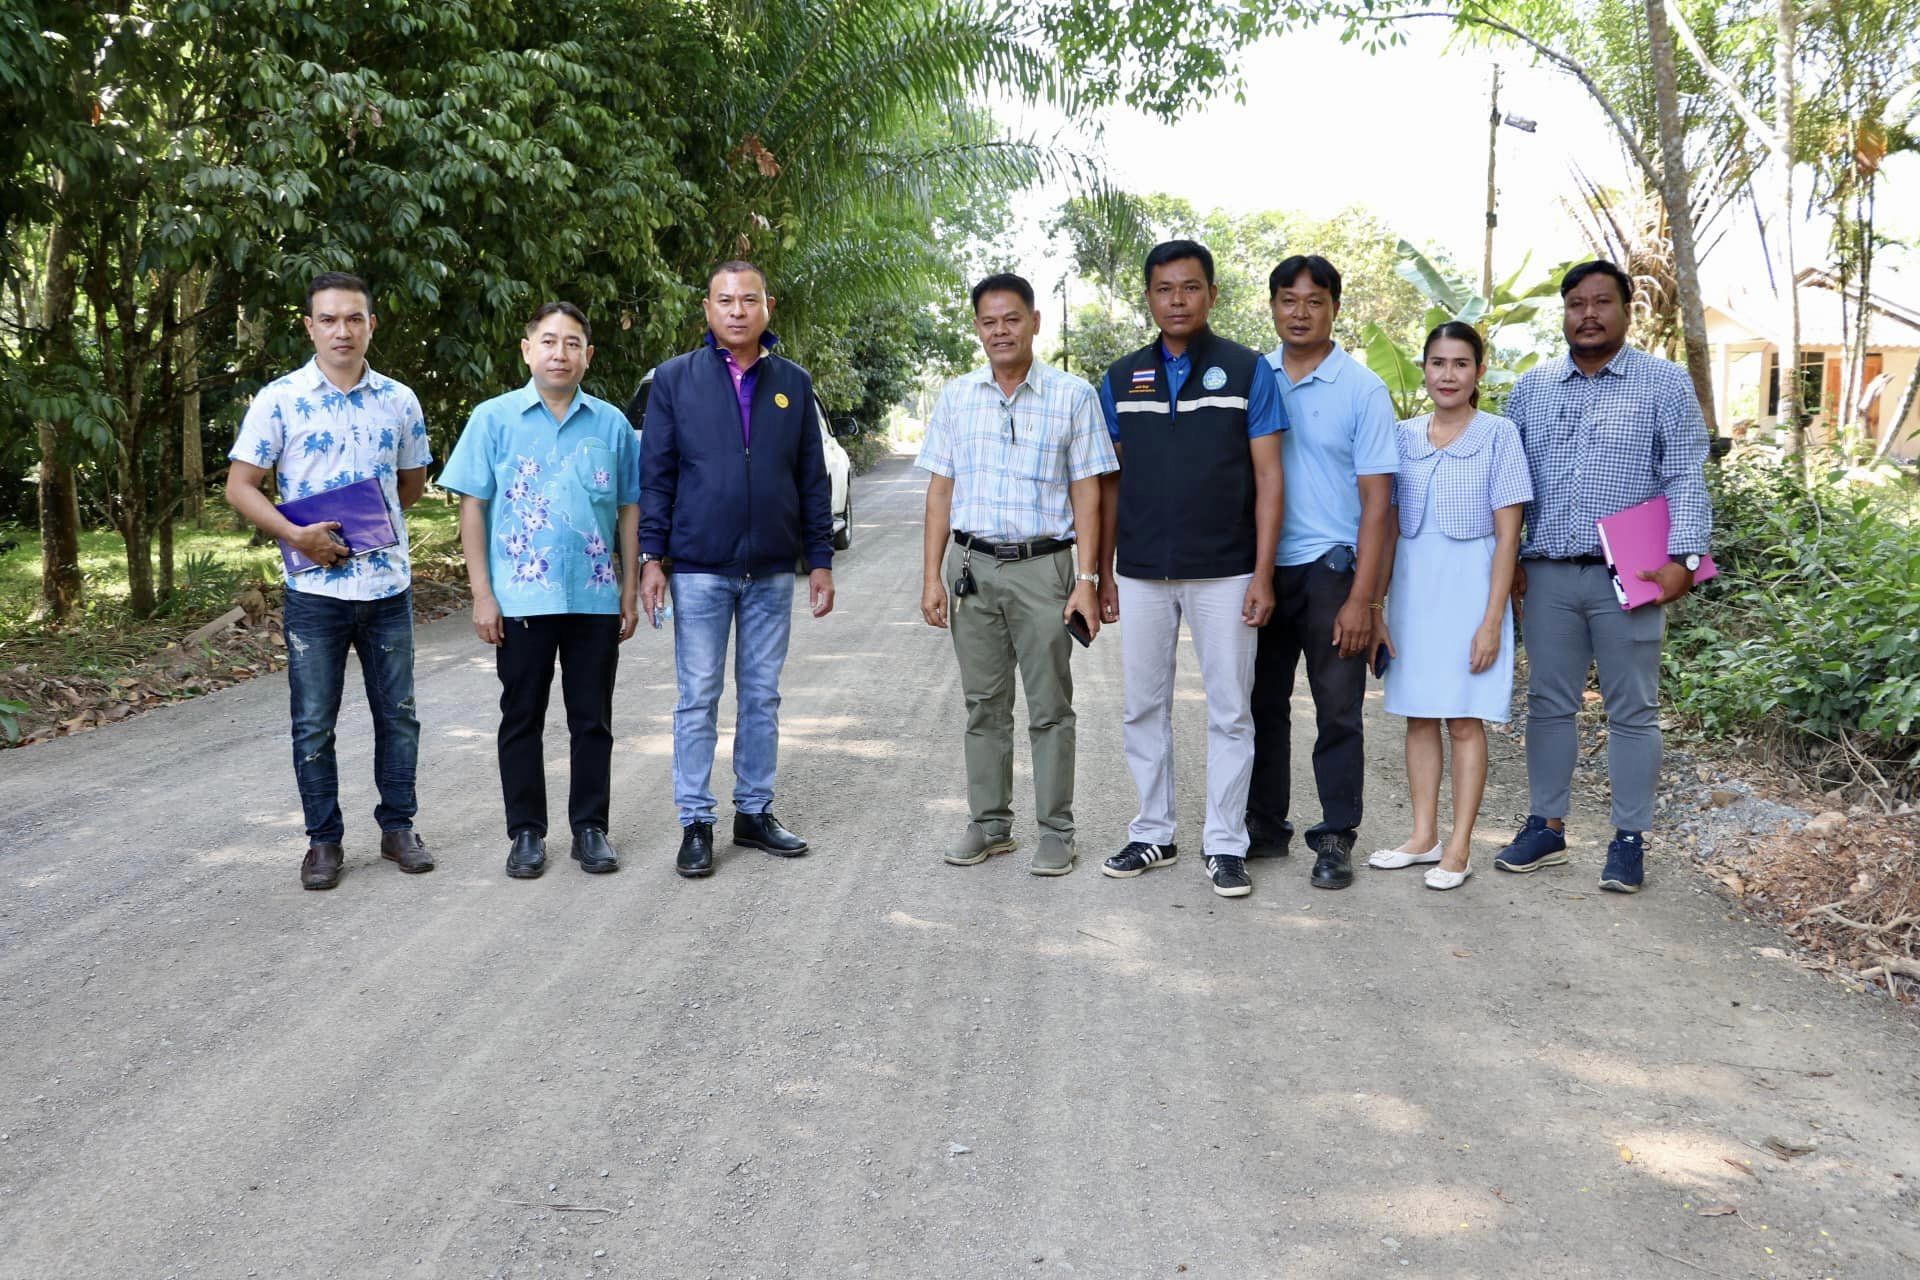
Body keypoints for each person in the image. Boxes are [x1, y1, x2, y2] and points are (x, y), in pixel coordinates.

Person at [1496, 260, 1712, 893]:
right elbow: (1512, 488)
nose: (1587, 314)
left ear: (1625, 310)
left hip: (1634, 574)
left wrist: (1686, 561)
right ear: (1563, 312)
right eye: (1575, 304)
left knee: (1633, 711)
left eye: (1601, 303)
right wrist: (1505, 565)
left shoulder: (1664, 385)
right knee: (1547, 704)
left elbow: (1684, 475)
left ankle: (1627, 840)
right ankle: (1546, 827)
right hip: (1549, 575)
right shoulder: (1532, 391)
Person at [224, 271, 433, 890]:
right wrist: (298, 536)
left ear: (372, 324)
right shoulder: (279, 399)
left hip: (387, 589)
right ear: (309, 326)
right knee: (314, 720)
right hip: (315, 596)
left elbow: (411, 485)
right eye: (329, 319)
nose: (342, 330)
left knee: (398, 714)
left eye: (354, 318)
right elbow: (241, 486)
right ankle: (323, 842)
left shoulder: (399, 400)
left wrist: (369, 528)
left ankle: (398, 828)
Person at [1094, 240, 1287, 899]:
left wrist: (1263, 574)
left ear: (1211, 294)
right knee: (1142, 707)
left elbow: (1269, 478)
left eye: (1190, 287)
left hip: (1227, 570)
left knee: (1232, 710)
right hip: (1143, 570)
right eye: (1164, 289)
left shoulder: (1247, 370)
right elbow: (1107, 483)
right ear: (1147, 297)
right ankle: (1153, 831)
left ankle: (1226, 843)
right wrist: (1100, 572)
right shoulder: (1120, 379)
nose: (1177, 299)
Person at [639, 260, 835, 879]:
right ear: (707, 308)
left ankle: (753, 811)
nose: (737, 311)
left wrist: (820, 558)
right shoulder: (675, 380)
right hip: (698, 567)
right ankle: (696, 821)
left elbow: (812, 476)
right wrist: (652, 559)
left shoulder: (793, 383)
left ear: (767, 307)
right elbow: (658, 476)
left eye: (748, 300)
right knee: (697, 696)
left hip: (773, 569)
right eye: (724, 300)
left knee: (762, 695)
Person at [917, 273, 1117, 876]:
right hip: (973, 566)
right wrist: (931, 576)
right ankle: (989, 824)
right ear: (977, 328)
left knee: (1050, 705)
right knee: (983, 704)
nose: (1000, 331)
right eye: (988, 322)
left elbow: (1090, 491)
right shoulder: (957, 397)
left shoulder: (1073, 396)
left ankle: (1057, 829)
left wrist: (1087, 576)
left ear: (1034, 321)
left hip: (1045, 567)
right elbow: (940, 489)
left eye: (1011, 319)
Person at [438, 302, 641, 880]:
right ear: (527, 350)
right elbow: (472, 507)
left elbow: (629, 507)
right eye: (548, 341)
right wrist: (483, 593)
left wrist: (628, 589)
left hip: (595, 598)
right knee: (521, 715)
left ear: (588, 355)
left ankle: (590, 828)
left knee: (592, 718)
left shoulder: (611, 425)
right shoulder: (494, 419)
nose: (560, 353)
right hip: (522, 601)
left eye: (572, 343)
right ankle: (526, 831)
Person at [1247, 254, 1399, 891]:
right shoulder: (1254, 376)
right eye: (1288, 299)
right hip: (1259, 567)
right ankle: (1263, 826)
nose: (1300, 312)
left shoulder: (1362, 389)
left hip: (1333, 570)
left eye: (1314, 301)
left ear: (1336, 307)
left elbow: (1378, 503)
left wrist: (1363, 599)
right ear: (1273, 306)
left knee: (1338, 709)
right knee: (1261, 703)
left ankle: (1336, 834)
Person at [1367, 322, 1533, 890]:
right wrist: (1376, 608)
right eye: (1438, 362)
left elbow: (1508, 538)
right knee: (1418, 715)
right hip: (1414, 590)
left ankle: (1459, 846)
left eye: (1461, 363)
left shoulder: (1500, 434)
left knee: (1463, 719)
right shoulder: (1402, 435)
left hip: (1470, 592)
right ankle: (1422, 836)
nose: (1448, 374)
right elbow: (1386, 527)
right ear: (1424, 368)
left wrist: (1493, 622)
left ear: (1479, 371)